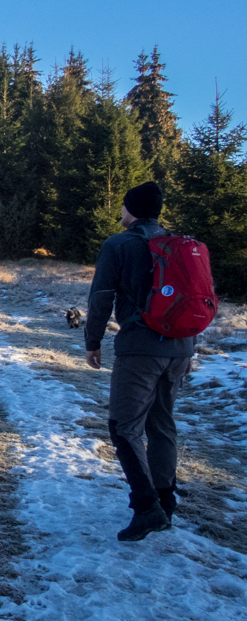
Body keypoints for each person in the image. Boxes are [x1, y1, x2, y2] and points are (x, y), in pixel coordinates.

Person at [85, 181, 194, 542]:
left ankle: (147, 507)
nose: (120, 212)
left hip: (140, 348)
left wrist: (93, 341)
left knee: (124, 426)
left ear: (131, 209)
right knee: (162, 424)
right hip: (180, 347)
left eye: (123, 206)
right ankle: (165, 502)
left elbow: (101, 296)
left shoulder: (120, 244)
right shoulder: (178, 246)